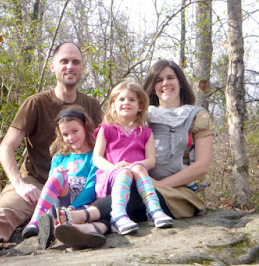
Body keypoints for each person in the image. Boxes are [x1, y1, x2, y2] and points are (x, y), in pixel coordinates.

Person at [0, 42, 102, 251]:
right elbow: (6, 147)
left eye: (76, 62)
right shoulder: (36, 103)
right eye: (64, 61)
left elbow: (104, 147)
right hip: (37, 181)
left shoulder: (92, 106)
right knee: (8, 210)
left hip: (79, 184)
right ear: (53, 66)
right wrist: (20, 184)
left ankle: (76, 234)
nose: (70, 66)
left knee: (100, 209)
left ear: (82, 68)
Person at [55, 60, 213, 244]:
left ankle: (81, 217)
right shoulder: (142, 117)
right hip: (133, 180)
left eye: (170, 78)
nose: (165, 84)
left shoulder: (196, 115)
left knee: (136, 195)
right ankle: (90, 230)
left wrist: (159, 184)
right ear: (152, 87)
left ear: (181, 82)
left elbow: (202, 166)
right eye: (159, 80)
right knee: (124, 195)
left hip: (175, 192)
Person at [92, 81, 173, 235]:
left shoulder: (146, 132)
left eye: (131, 100)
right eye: (121, 100)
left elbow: (151, 161)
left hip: (137, 179)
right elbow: (97, 158)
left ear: (140, 106)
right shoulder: (107, 129)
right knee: (125, 172)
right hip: (111, 177)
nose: (126, 103)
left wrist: (131, 166)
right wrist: (116, 168)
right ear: (113, 105)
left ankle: (154, 210)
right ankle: (118, 216)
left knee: (137, 167)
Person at [21, 105, 106, 248]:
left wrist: (73, 208)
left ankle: (58, 229)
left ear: (85, 127)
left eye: (75, 131)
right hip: (60, 200)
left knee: (73, 214)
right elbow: (51, 186)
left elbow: (91, 187)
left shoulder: (95, 157)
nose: (71, 138)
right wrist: (58, 173)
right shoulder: (59, 158)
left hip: (80, 205)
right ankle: (36, 221)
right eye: (65, 135)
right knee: (57, 174)